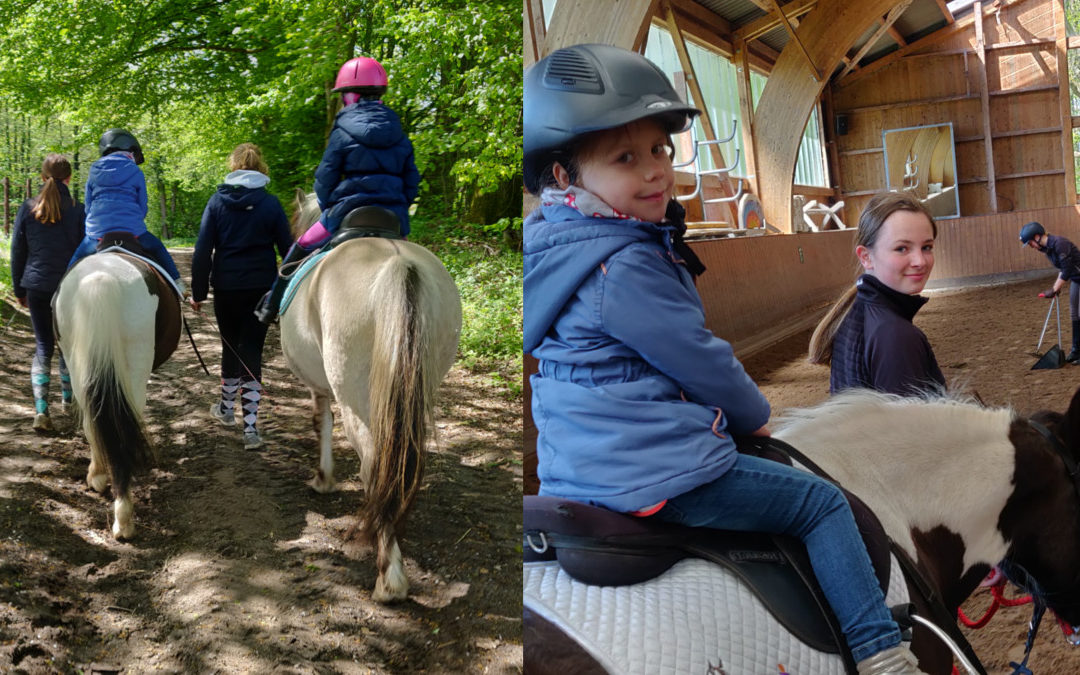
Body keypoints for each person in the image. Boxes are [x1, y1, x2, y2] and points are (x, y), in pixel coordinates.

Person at [523, 43, 925, 675]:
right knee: (821, 504)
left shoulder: (549, 246)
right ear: (564, 174)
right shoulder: (623, 261)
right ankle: (881, 652)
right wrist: (753, 414)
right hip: (652, 470)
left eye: (659, 148)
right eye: (626, 157)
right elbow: (699, 360)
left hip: (574, 467)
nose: (656, 171)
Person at [254, 55, 420, 324]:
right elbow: (412, 179)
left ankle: (271, 305)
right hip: (393, 216)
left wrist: (328, 203)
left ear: (351, 95)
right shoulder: (398, 131)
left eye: (344, 95)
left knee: (300, 246)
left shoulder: (342, 129)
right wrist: (400, 202)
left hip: (345, 212)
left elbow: (325, 176)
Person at [190, 143, 293, 450]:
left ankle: (225, 409)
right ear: (260, 167)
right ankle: (250, 429)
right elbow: (288, 251)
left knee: (230, 347)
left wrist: (198, 292)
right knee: (251, 351)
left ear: (233, 166)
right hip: (261, 288)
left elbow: (202, 251)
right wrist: (285, 292)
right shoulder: (270, 204)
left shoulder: (216, 202)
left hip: (226, 287)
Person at [808, 192, 945, 395]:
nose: (920, 261)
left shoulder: (854, 313)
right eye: (902, 248)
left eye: (926, 247)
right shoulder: (896, 335)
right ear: (866, 257)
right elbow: (909, 426)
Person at [10, 154, 85, 432]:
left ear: (42, 177)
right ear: (69, 178)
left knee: (43, 346)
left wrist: (19, 289)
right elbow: (85, 252)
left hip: (37, 286)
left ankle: (41, 411)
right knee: (66, 345)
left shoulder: (28, 207)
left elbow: (19, 253)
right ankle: (69, 403)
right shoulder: (79, 209)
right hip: (69, 288)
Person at [68, 129, 183, 287]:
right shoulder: (135, 170)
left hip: (97, 233)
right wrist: (134, 220)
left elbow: (88, 206)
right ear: (130, 150)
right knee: (158, 248)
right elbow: (143, 205)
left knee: (74, 262)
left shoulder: (94, 170)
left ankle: (60, 292)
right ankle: (179, 285)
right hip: (133, 231)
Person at [1019, 221, 1080, 362]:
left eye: (1030, 243)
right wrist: (1056, 287)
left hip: (1076, 277)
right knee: (1074, 314)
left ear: (1036, 237)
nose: (1031, 247)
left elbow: (1067, 270)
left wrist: (1054, 289)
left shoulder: (1060, 244)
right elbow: (1062, 270)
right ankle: (1076, 351)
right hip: (1076, 280)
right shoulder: (1049, 250)